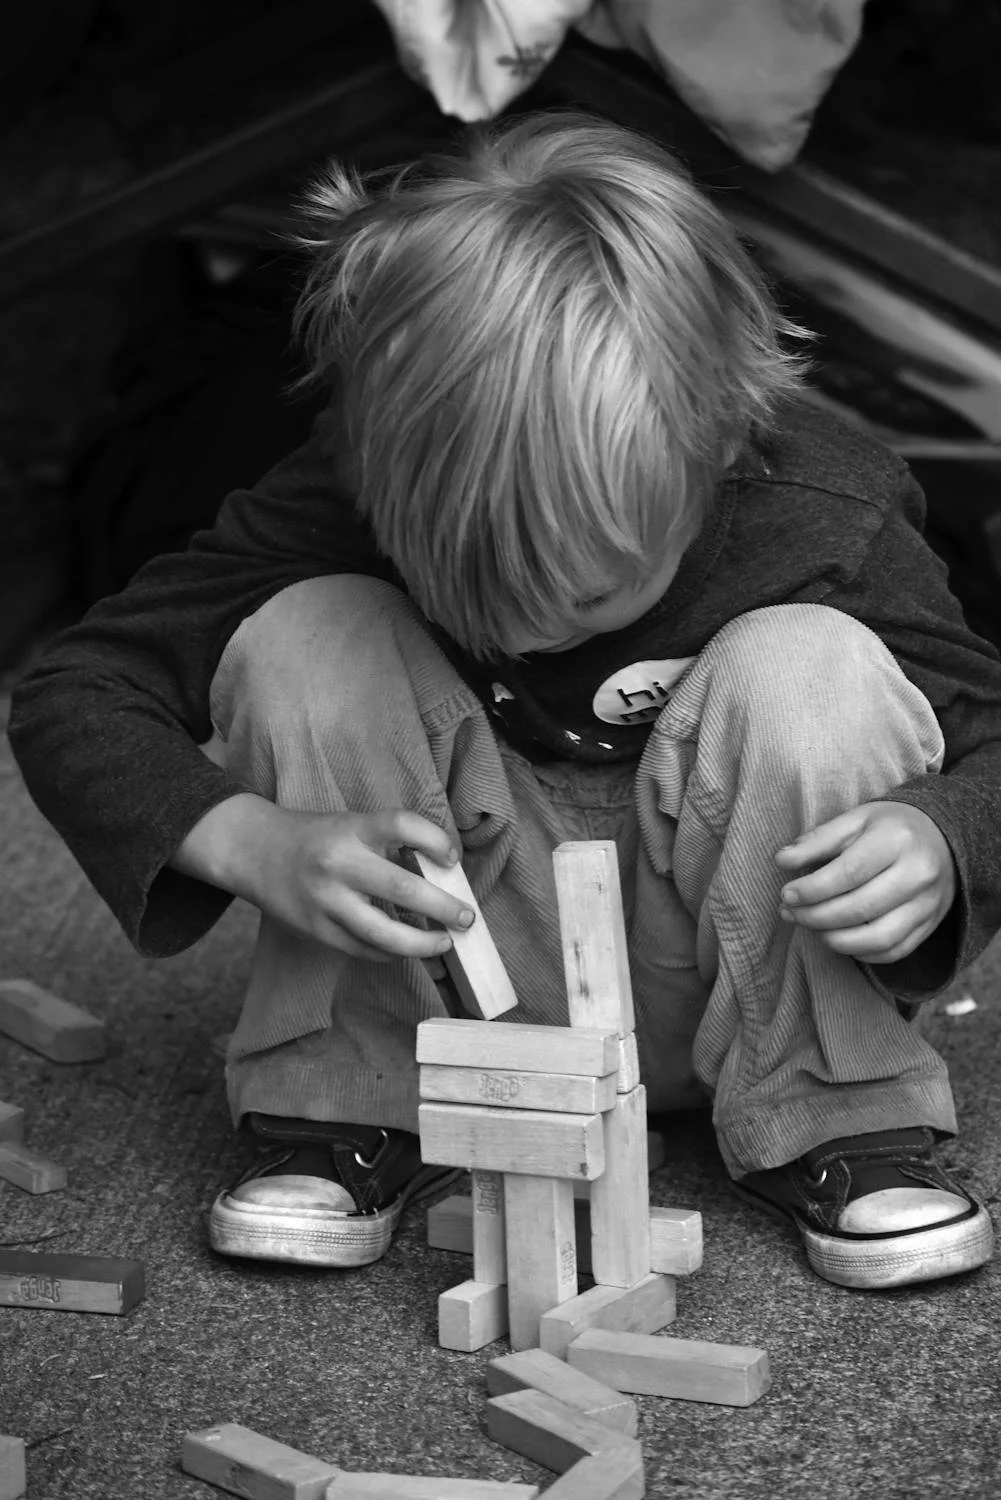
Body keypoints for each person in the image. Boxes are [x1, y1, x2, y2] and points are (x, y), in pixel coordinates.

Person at [7, 108, 998, 1291]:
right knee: (311, 633)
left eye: (583, 590)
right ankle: (343, 1105)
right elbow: (77, 689)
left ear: (719, 440)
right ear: (373, 464)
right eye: (469, 586)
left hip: (733, 985)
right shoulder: (345, 485)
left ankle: (843, 1119)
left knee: (810, 664)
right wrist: (256, 843)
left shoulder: (818, 505)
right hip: (460, 998)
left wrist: (941, 836)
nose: (525, 631)